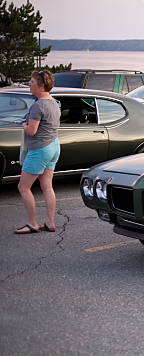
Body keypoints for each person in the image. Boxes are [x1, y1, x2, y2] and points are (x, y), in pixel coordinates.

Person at [15, 70, 61, 234]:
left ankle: (32, 223)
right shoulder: (54, 103)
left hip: (40, 149)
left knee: (23, 187)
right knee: (47, 186)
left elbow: (32, 131)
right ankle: (50, 222)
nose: (29, 84)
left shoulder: (38, 105)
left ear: (41, 86)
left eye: (32, 82)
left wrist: (24, 126)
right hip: (54, 146)